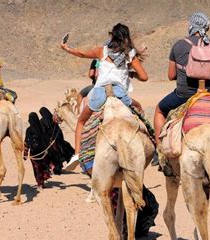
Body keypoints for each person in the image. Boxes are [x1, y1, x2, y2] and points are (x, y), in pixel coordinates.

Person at [60, 23, 148, 167]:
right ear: (126, 37)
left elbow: (81, 54)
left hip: (100, 93)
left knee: (81, 121)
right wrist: (129, 73)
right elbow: (144, 77)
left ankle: (76, 154)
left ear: (112, 36)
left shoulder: (102, 51)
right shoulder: (130, 54)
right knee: (139, 109)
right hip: (119, 93)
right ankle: (153, 147)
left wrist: (66, 47)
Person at [153, 12, 210, 143]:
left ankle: (159, 149)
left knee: (159, 110)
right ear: (207, 28)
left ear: (191, 26)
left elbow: (171, 75)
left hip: (183, 95)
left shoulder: (178, 45)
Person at [39, 107, 75, 174]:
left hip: (52, 144)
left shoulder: (49, 123)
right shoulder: (48, 122)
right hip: (50, 145)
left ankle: (55, 168)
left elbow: (58, 134)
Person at [24, 112, 52, 188]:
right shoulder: (42, 128)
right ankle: (42, 182)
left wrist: (25, 154)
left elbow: (26, 142)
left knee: (36, 168)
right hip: (43, 151)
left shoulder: (29, 130)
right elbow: (46, 139)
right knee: (42, 166)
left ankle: (40, 183)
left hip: (34, 153)